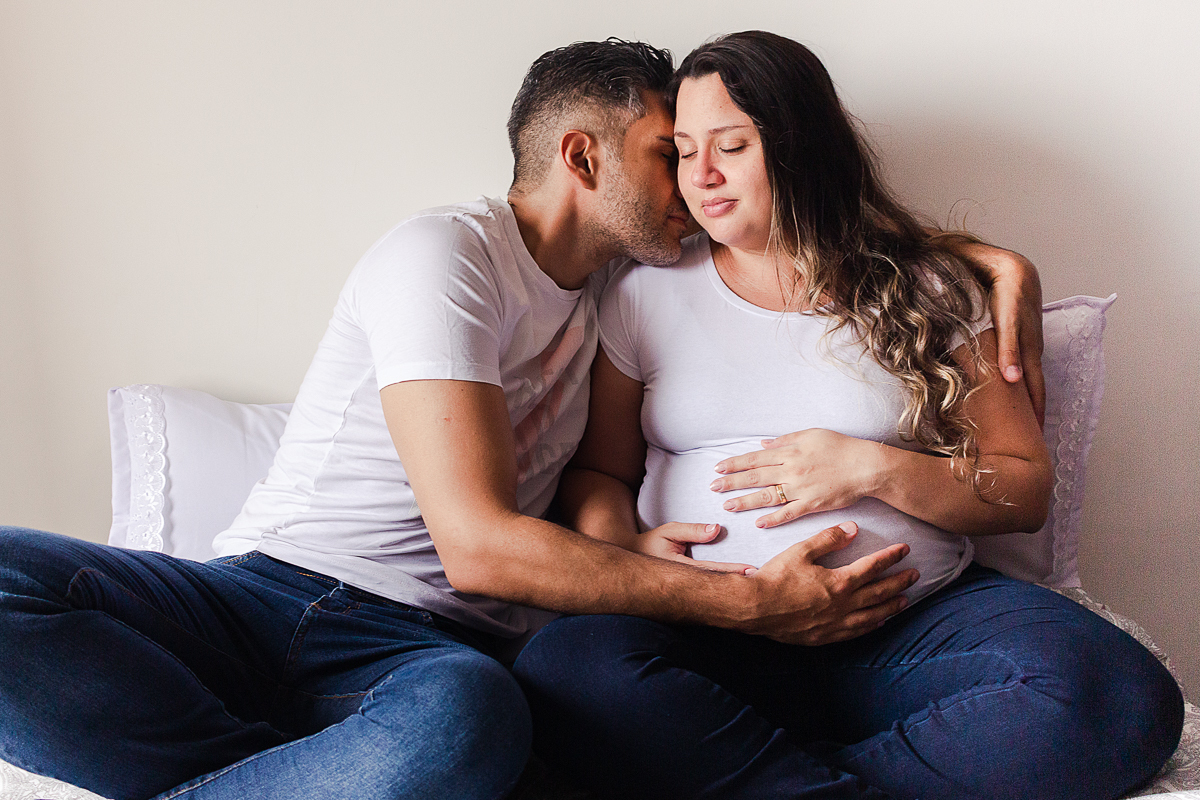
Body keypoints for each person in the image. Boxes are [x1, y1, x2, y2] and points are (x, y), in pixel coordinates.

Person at [0, 38, 1045, 800]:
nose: (692, 181)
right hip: (267, 595)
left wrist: (997, 261)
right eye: (666, 153)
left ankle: (295, 770)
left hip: (422, 659)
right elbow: (482, 548)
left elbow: (825, 240)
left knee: (472, 721)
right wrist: (744, 602)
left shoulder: (627, 289)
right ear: (583, 159)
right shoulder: (444, 254)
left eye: (709, 151)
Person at [513, 31, 1184, 800]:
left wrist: (874, 467)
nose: (700, 176)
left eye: (730, 146)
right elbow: (599, 472)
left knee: (1120, 698)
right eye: (682, 151)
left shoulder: (926, 285)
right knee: (562, 671)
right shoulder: (644, 292)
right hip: (714, 632)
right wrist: (626, 550)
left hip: (907, 627)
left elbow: (1025, 489)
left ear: (798, 147)